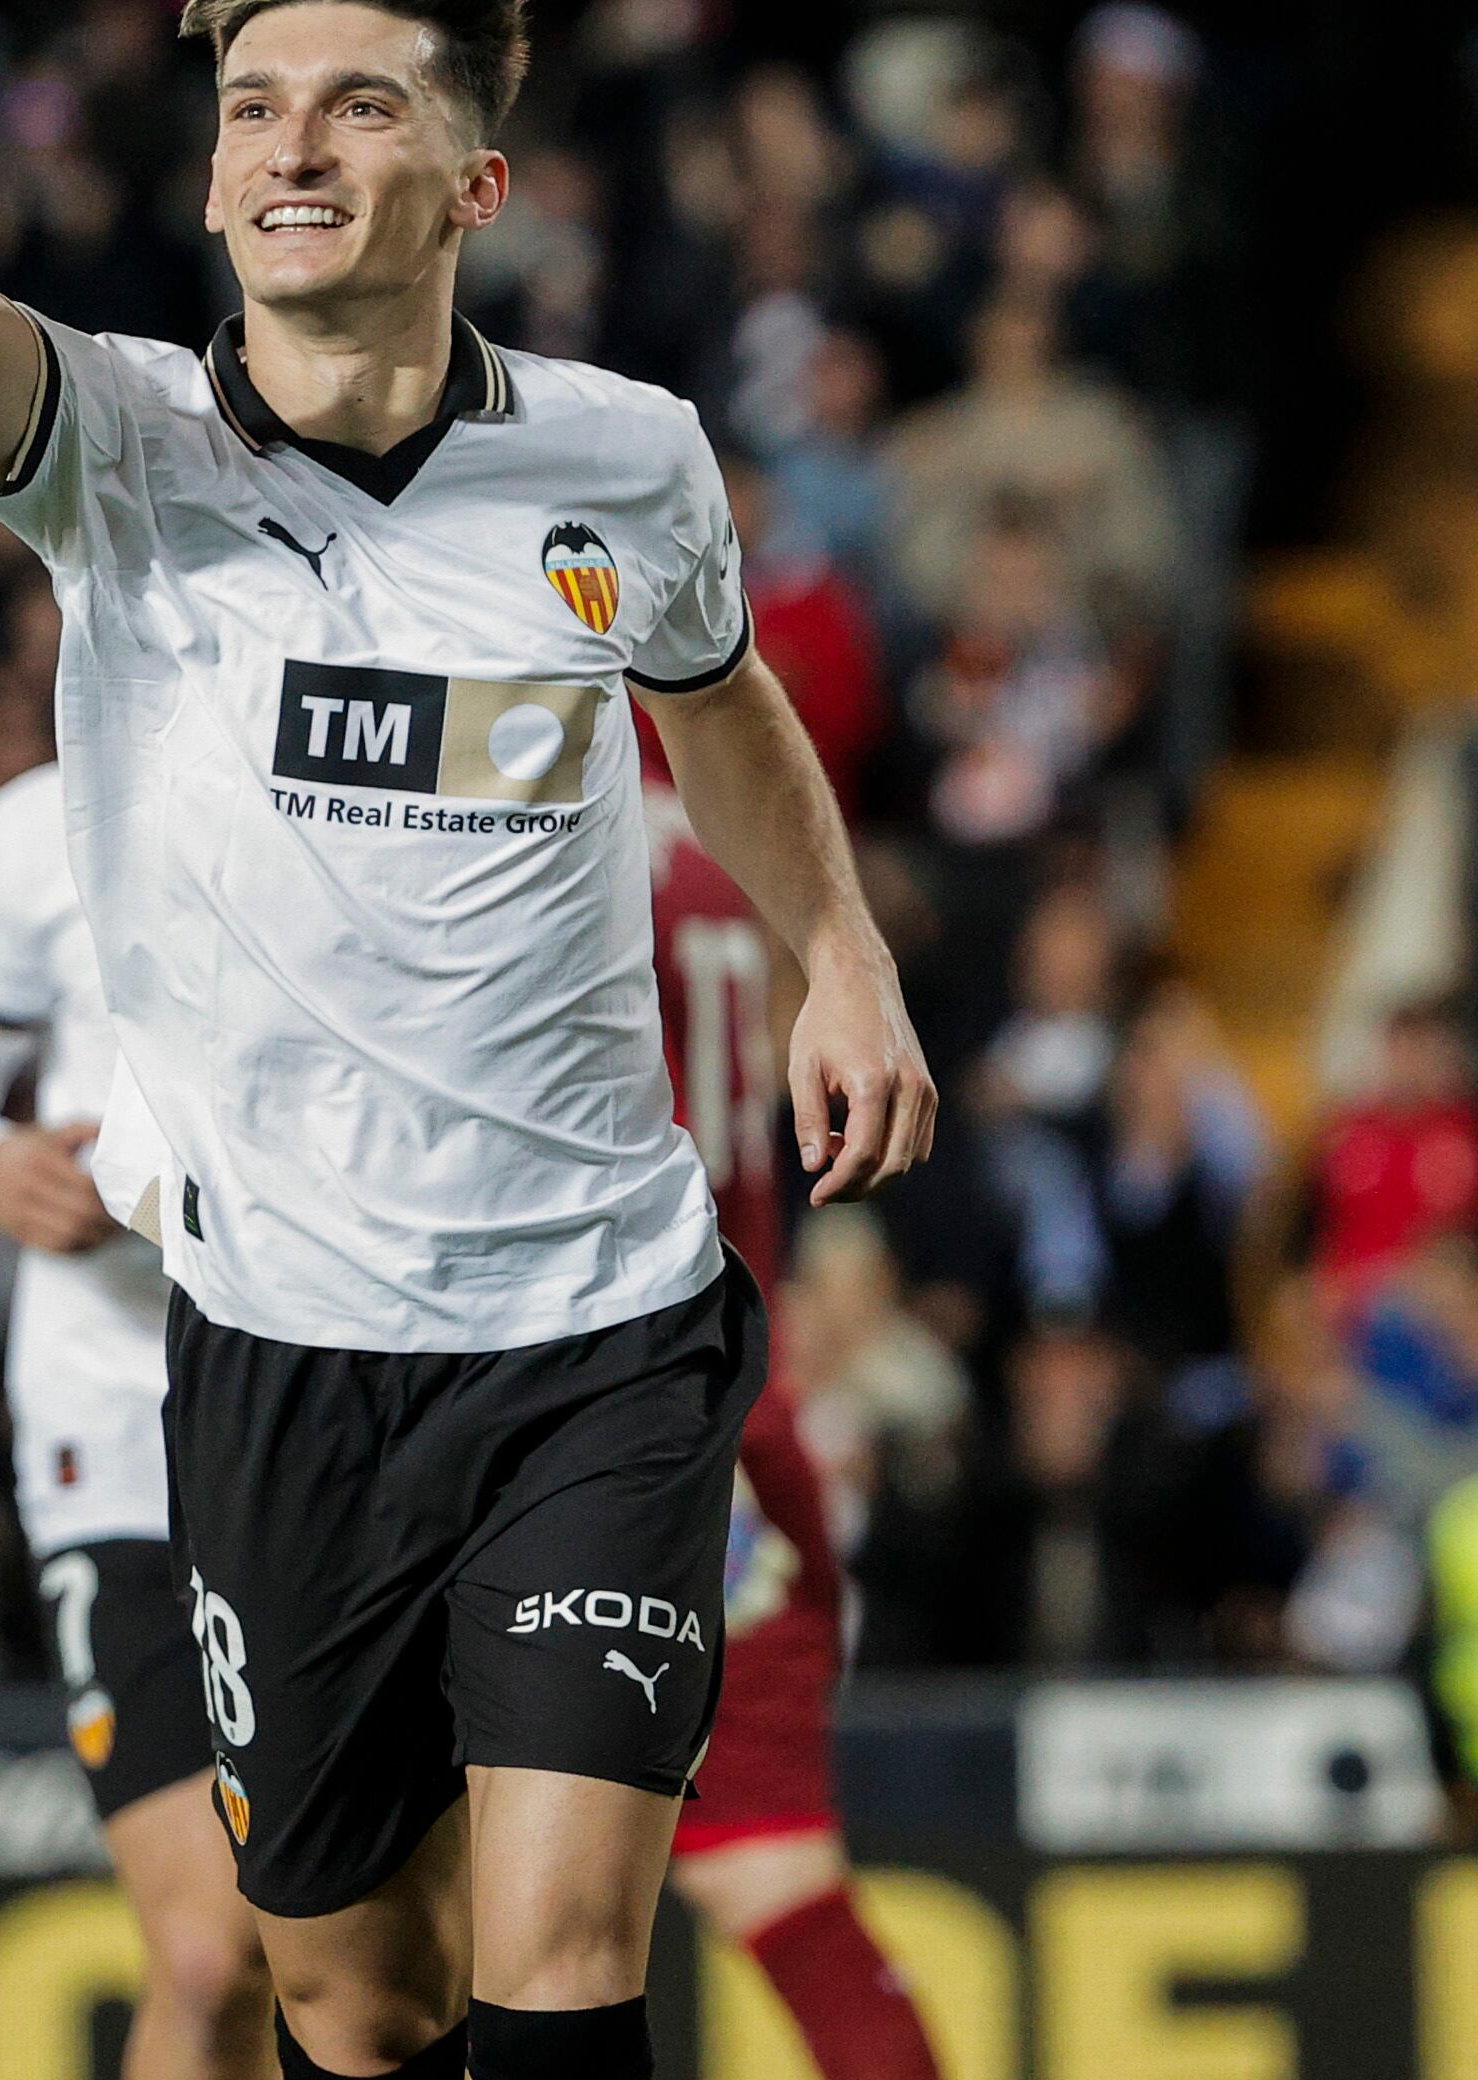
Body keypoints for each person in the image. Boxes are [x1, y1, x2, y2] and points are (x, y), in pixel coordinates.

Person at [0, 0, 935, 2080]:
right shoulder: (124, 453)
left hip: (598, 1329)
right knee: (344, 1984)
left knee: (556, 1955)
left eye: (350, 105)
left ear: (471, 181)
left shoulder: (621, 458)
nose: (288, 146)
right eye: (248, 108)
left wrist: (840, 952)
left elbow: (714, 708)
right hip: (273, 1351)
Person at [0, 759, 275, 2080]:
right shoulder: (23, 833)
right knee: (212, 1956)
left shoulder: (339, 762)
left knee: (338, 1949)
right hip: (112, 1433)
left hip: (321, 1415)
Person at [646, 790, 943, 2080]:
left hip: (548, 1411)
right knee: (783, 1889)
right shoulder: (713, 847)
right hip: (736, 1426)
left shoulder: (503, 809)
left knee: (415, 1920)